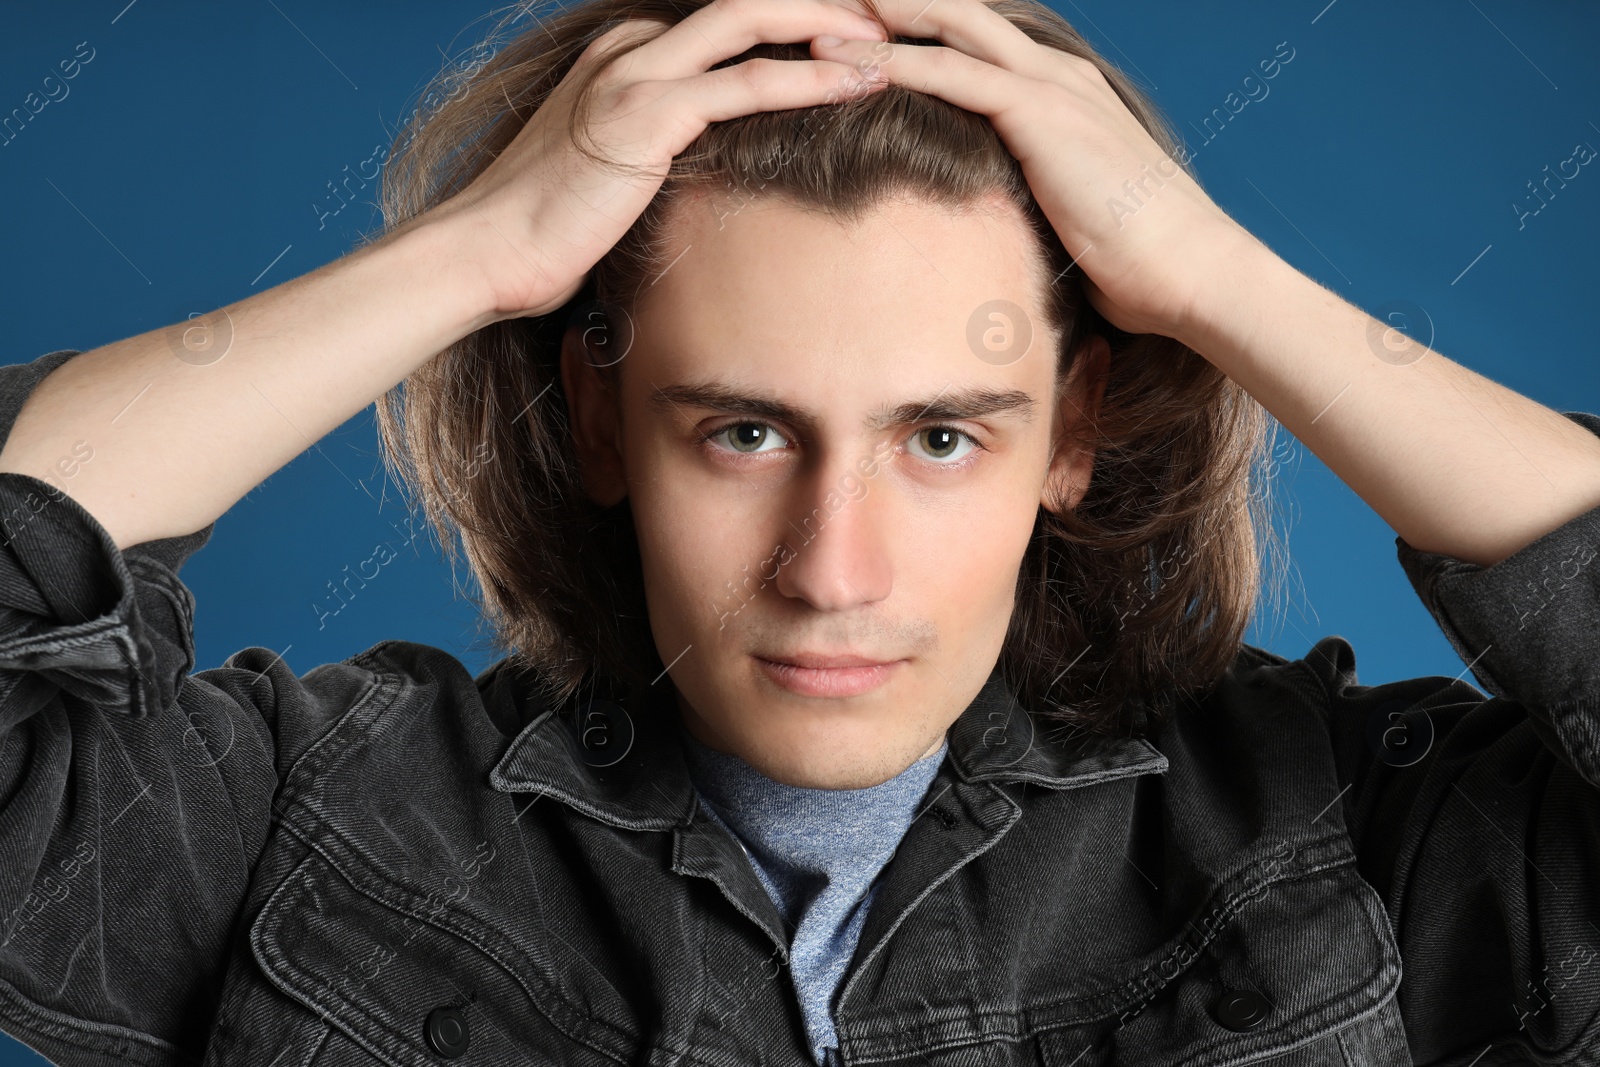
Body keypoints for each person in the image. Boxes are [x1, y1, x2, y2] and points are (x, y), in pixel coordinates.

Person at [0, 0, 1596, 1063]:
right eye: (745, 432)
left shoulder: (1340, 832)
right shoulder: (315, 823)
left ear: (1077, 432)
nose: (832, 569)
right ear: (606, 419)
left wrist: (1211, 278)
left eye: (944, 435)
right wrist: (475, 254)